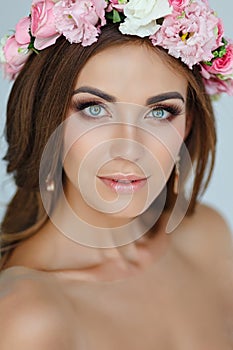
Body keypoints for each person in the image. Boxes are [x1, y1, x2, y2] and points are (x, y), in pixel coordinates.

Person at [0, 0, 233, 348]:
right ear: (45, 119)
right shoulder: (26, 317)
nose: (129, 148)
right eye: (94, 109)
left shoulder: (207, 236)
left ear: (188, 125)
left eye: (159, 112)